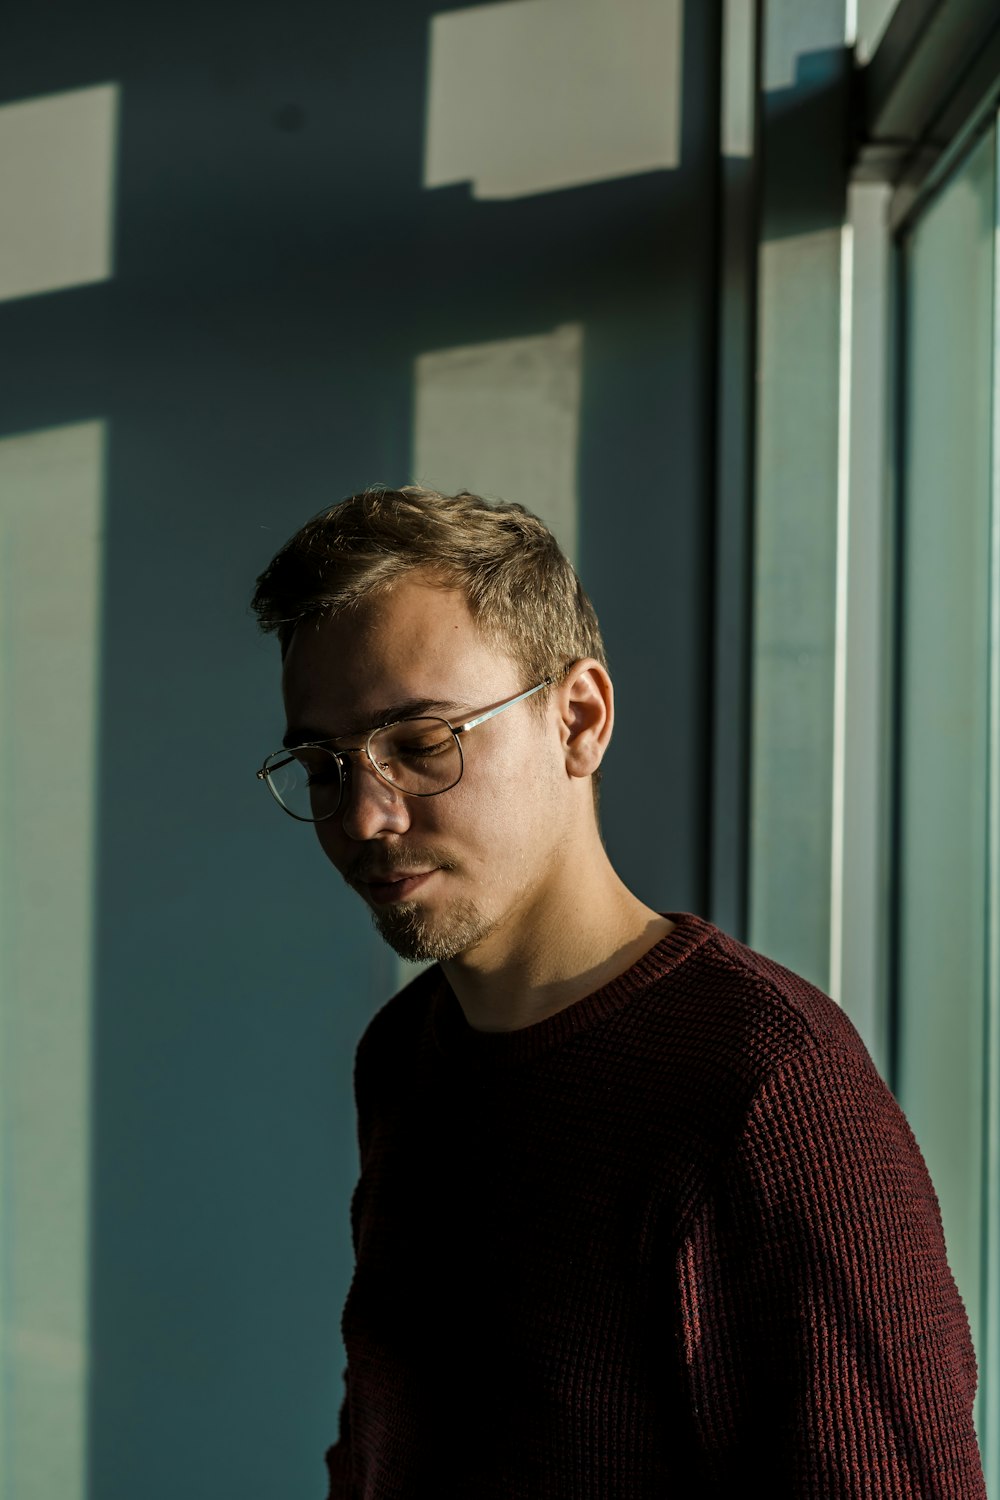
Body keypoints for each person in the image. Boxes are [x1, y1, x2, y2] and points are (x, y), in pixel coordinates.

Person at [251, 485, 985, 1499]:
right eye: (326, 765)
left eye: (421, 745)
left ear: (578, 720)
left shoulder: (766, 1094)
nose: (366, 815)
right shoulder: (408, 1052)